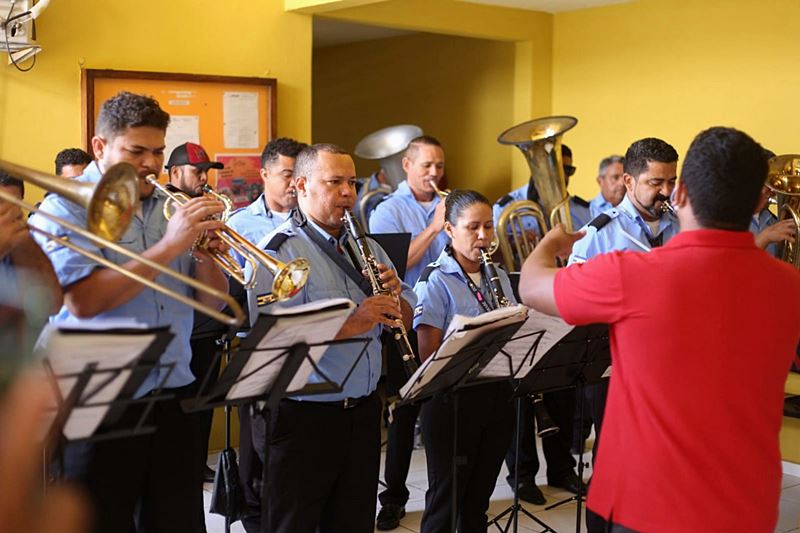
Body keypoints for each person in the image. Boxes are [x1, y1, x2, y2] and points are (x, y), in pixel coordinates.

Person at [519, 126, 800, 533]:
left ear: (680, 193)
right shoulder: (790, 286)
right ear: (759, 201)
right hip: (747, 506)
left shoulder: (632, 275)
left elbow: (530, 286)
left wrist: (549, 244)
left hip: (645, 504)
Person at [29, 91, 229, 533]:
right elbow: (82, 302)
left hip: (172, 392)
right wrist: (170, 246)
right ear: (100, 147)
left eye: (157, 151)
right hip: (98, 400)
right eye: (136, 151)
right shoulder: (65, 207)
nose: (151, 164)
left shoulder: (169, 205)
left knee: (177, 523)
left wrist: (206, 257)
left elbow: (212, 303)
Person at [246, 143, 416, 533]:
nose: (347, 193)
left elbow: (405, 317)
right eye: (334, 182)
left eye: (352, 182)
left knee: (353, 521)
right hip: (303, 418)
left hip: (362, 412)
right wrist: (356, 320)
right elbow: (275, 340)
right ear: (301, 186)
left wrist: (395, 301)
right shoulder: (278, 253)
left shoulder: (368, 247)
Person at [412, 189, 515, 532]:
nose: (483, 236)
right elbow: (429, 357)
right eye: (473, 227)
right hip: (452, 402)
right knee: (446, 500)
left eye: (488, 226)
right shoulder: (435, 280)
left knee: (477, 502)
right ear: (449, 230)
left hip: (496, 394)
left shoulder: (499, 276)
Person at [368, 135, 450, 530]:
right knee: (405, 412)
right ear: (407, 165)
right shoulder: (388, 210)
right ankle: (393, 499)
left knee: (445, 411)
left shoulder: (449, 202)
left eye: (439, 166)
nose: (434, 173)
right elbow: (396, 267)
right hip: (407, 319)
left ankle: (446, 496)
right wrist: (436, 226)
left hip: (448, 317)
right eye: (426, 165)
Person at [164, 141, 228, 496]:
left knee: (203, 406)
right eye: (197, 171)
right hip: (177, 330)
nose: (204, 178)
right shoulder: (165, 210)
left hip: (205, 327)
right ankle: (182, 467)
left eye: (206, 172)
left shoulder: (205, 209)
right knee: (180, 411)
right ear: (175, 172)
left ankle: (197, 461)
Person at [227, 137, 307, 267]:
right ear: (265, 175)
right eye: (287, 175)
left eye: (299, 176)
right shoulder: (238, 225)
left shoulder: (312, 216)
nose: (294, 183)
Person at [0, 170, 62, 314]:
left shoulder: (20, 237)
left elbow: (53, 305)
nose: (6, 212)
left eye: (13, 204)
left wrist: (24, 241)